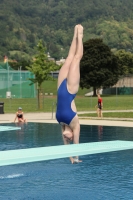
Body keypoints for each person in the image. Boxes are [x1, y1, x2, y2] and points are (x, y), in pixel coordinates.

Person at [56, 24, 83, 164]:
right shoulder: (66, 122)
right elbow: (69, 143)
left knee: (73, 58)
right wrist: (72, 158)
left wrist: (74, 158)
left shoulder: (70, 123)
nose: (70, 138)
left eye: (69, 138)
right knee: (73, 57)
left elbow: (74, 144)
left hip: (65, 88)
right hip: (65, 89)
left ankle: (77, 35)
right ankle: (77, 35)